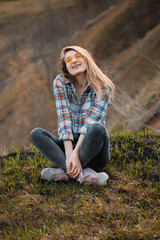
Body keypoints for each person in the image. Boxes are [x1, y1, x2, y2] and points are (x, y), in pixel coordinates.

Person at [30, 46, 115, 186]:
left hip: (94, 150)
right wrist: (69, 154)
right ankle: (85, 175)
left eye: (78, 57)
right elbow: (64, 119)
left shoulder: (103, 85)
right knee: (36, 134)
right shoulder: (60, 83)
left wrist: (76, 154)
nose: (73, 61)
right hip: (68, 147)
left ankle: (66, 172)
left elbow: (91, 121)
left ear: (86, 59)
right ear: (66, 67)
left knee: (97, 128)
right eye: (68, 60)